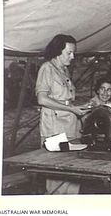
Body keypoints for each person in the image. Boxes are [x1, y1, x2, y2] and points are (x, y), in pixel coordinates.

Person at [35, 34, 90, 194]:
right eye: (69, 53)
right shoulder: (47, 69)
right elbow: (42, 99)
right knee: (57, 176)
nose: (72, 57)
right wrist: (72, 109)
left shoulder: (64, 70)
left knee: (73, 173)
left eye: (73, 53)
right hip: (55, 128)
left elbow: (65, 100)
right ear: (57, 51)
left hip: (70, 126)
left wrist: (79, 107)